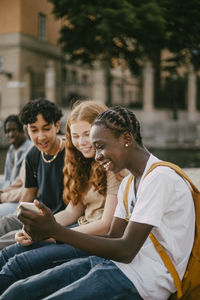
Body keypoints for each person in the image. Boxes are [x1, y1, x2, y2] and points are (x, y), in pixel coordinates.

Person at [0, 106, 195, 300]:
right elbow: (113, 236)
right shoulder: (129, 182)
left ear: (127, 139)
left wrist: (54, 232)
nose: (98, 155)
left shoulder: (160, 178)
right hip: (115, 264)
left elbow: (126, 250)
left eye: (101, 146)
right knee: (20, 291)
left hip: (145, 279)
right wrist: (48, 231)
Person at [0, 100, 127, 294]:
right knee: (10, 251)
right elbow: (72, 210)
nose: (81, 142)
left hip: (97, 240)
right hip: (79, 228)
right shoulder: (82, 161)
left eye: (87, 134)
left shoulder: (112, 165)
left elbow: (106, 225)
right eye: (75, 136)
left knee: (19, 264)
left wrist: (52, 234)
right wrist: (37, 229)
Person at [0, 98, 66, 249]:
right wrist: (19, 216)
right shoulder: (32, 156)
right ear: (27, 130)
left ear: (56, 126)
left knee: (5, 243)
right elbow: (27, 195)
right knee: (4, 223)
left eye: (46, 128)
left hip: (58, 221)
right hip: (35, 215)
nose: (41, 137)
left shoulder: (70, 154)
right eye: (34, 130)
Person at [0, 115, 32, 216]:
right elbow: (8, 180)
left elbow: (26, 189)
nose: (11, 134)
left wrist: (3, 196)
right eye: (8, 131)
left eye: (14, 130)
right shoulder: (11, 150)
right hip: (10, 192)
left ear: (22, 130)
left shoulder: (31, 151)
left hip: (19, 198)